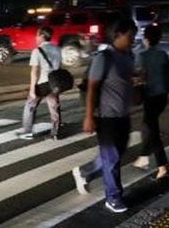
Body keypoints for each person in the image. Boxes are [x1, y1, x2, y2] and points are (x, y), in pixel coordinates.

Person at [72, 18, 139, 214]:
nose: (133, 39)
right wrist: (89, 116)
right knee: (112, 158)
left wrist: (138, 83)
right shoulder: (104, 58)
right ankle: (113, 197)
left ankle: (84, 171)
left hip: (123, 116)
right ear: (117, 35)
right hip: (107, 117)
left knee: (116, 154)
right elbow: (92, 88)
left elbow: (130, 84)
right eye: (130, 35)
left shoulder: (129, 57)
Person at [134, 23, 169, 180]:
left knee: (151, 130)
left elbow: (139, 77)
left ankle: (159, 166)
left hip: (150, 96)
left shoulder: (142, 56)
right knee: (148, 127)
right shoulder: (163, 54)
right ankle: (145, 158)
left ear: (146, 39)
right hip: (162, 96)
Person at [20, 26, 62, 140]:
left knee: (30, 106)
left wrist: (32, 89)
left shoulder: (37, 51)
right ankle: (56, 132)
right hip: (55, 83)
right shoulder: (58, 49)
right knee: (54, 108)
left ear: (42, 36)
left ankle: (27, 132)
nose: (36, 37)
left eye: (37, 35)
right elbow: (59, 67)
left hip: (42, 83)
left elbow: (34, 71)